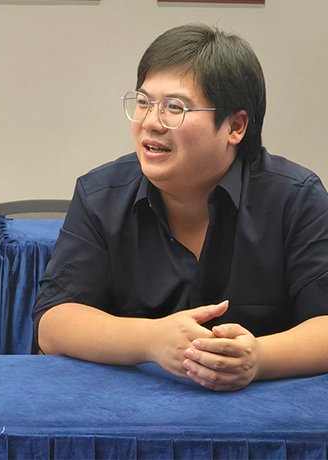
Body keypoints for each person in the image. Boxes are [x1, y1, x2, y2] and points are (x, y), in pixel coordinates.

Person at [32, 24, 328, 391]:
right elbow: (54, 321)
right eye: (143, 102)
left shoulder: (296, 199)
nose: (150, 123)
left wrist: (259, 358)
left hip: (261, 412)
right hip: (128, 408)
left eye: (175, 107)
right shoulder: (100, 195)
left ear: (235, 126)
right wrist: (150, 340)